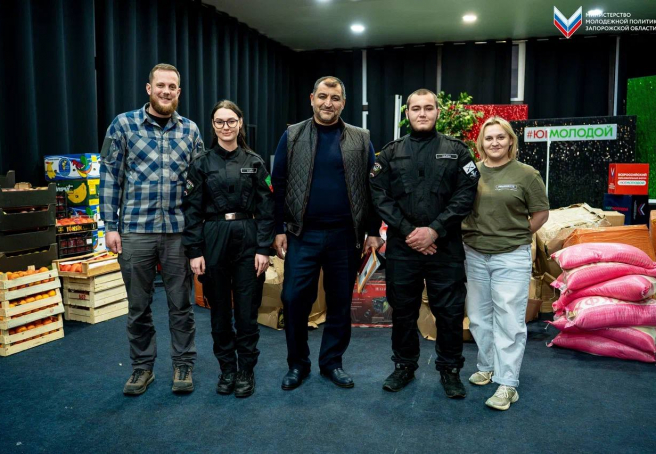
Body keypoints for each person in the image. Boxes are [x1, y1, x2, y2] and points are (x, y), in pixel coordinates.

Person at [271, 76, 383, 390]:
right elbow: (278, 184)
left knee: (339, 303)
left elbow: (373, 187)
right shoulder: (292, 135)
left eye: (334, 98)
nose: (328, 103)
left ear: (343, 103)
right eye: (322, 96)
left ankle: (332, 363)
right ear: (312, 98)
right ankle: (298, 364)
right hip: (302, 235)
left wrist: (373, 230)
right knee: (293, 299)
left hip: (345, 236)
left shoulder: (361, 138)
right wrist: (278, 228)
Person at [100, 63, 204, 395]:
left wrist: (199, 231)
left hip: (178, 232)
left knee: (181, 305)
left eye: (172, 87)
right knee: (138, 307)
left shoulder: (190, 131)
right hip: (135, 230)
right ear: (149, 89)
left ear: (179, 92)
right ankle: (142, 368)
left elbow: (200, 185)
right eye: (160, 85)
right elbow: (109, 176)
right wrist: (110, 226)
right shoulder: (123, 125)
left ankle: (183, 364)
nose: (166, 91)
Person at [369, 88, 479, 398]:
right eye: (416, 108)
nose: (422, 113)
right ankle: (404, 365)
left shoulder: (458, 151)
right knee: (403, 310)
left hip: (445, 247)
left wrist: (434, 230)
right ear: (407, 114)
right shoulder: (390, 153)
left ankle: (450, 369)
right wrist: (410, 232)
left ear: (437, 112)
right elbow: (378, 194)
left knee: (450, 312)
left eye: (428, 108)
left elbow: (466, 194)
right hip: (403, 248)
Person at [182, 100, 274, 398]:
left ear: (240, 123)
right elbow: (191, 210)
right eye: (220, 122)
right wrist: (195, 251)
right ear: (213, 125)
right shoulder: (201, 163)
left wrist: (264, 248)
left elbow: (267, 208)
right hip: (213, 238)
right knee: (220, 311)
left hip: (248, 238)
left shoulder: (255, 162)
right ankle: (227, 370)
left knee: (247, 311)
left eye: (231, 121)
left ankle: (245, 370)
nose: (226, 127)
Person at [461, 116, 549, 410]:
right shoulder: (471, 172)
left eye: (501, 137)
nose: (495, 143)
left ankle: (508, 383)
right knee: (478, 316)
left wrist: (516, 235)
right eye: (489, 138)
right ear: (481, 143)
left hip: (511, 256)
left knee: (509, 319)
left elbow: (541, 214)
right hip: (474, 253)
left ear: (511, 140)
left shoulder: (526, 174)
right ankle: (487, 366)